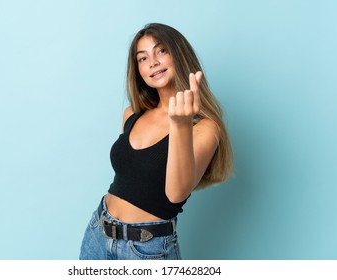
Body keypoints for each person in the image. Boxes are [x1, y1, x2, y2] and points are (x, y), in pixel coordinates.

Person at [79, 23, 233, 260]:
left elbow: (176, 194)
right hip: (98, 233)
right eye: (142, 58)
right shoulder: (132, 114)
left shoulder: (204, 128)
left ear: (179, 55)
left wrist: (180, 124)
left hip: (146, 250)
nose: (152, 62)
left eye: (161, 51)